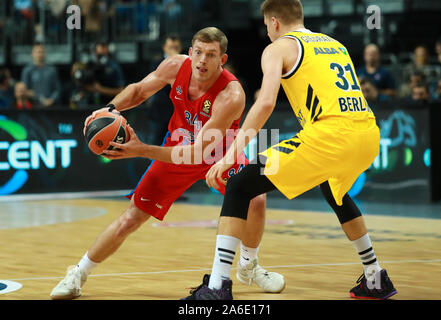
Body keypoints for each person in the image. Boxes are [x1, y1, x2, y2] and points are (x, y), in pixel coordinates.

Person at [50, 27, 285, 300]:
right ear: (189, 52)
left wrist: (141, 150)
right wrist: (109, 109)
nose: (202, 60)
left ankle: (249, 265)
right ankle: (77, 273)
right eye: (198, 52)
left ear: (222, 60)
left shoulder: (231, 95)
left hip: (217, 154)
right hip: (177, 148)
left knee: (255, 198)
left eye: (210, 55)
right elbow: (138, 91)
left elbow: (198, 153)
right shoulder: (175, 66)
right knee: (131, 218)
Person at [184, 0, 397, 300]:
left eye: (266, 26)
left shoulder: (278, 48)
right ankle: (375, 277)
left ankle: (218, 287)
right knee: (334, 192)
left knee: (239, 183)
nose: (267, 32)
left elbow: (267, 103)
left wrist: (232, 153)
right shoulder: (334, 44)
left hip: (330, 135)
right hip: (366, 132)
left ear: (273, 22)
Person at [147, 34, 183, 145]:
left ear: (180, 48)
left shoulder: (188, 64)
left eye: (176, 48)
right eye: (171, 48)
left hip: (179, 113)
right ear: (164, 48)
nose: (173, 50)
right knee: (156, 143)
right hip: (159, 112)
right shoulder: (156, 63)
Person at [20, 42, 61, 108]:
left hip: (50, 106)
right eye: (37, 52)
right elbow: (23, 90)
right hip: (33, 107)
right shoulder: (27, 70)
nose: (39, 54)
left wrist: (51, 100)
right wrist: (34, 96)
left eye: (41, 52)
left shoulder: (52, 70)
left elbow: (57, 90)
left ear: (45, 54)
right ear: (32, 54)